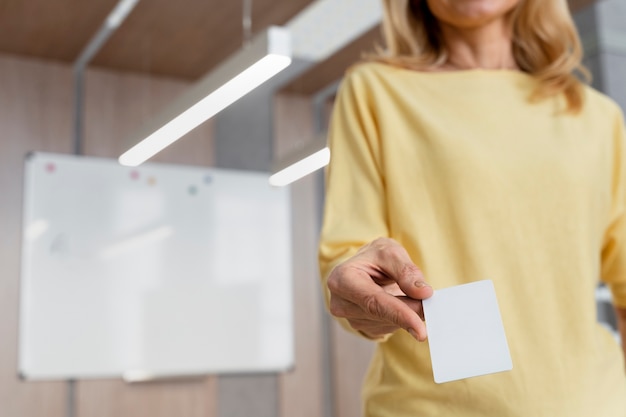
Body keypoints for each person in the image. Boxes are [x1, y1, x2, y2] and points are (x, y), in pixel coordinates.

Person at [318, 0, 626, 415]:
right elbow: (348, 256)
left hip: (596, 403)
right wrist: (363, 291)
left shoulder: (597, 116)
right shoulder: (374, 92)